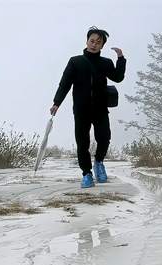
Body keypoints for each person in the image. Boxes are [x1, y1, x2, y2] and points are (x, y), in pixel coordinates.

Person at [50, 26, 126, 188]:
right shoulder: (75, 61)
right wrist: (57, 103)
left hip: (100, 108)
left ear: (102, 46)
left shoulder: (106, 63)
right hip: (81, 109)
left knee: (104, 137)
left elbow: (118, 77)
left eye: (98, 42)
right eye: (92, 41)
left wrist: (120, 58)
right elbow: (65, 84)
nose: (94, 44)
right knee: (82, 142)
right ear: (87, 41)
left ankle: (99, 162)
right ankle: (87, 173)